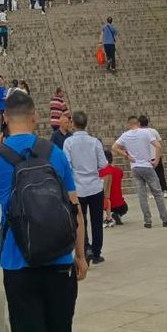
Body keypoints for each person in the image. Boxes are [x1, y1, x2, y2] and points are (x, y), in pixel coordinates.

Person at [0, 90, 87, 332]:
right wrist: (81, 255)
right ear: (35, 116)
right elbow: (75, 209)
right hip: (60, 263)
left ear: (4, 118)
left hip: (18, 265)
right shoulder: (55, 153)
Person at [112, 116, 167, 229]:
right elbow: (158, 146)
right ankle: (165, 219)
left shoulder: (125, 135)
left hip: (135, 167)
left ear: (129, 124)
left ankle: (147, 221)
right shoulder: (146, 133)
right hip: (147, 165)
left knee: (142, 195)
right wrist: (156, 160)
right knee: (157, 193)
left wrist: (126, 155)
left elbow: (115, 147)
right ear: (138, 123)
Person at [63, 111, 108, 264]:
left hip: (78, 187)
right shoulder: (95, 142)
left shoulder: (68, 142)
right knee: (97, 220)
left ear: (73, 124)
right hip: (95, 186)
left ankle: (85, 248)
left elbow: (67, 165)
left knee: (80, 220)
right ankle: (97, 252)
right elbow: (103, 164)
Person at [100, 150, 127, 226]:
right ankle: (116, 214)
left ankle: (107, 217)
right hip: (119, 204)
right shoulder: (119, 171)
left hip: (104, 204)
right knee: (125, 208)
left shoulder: (100, 172)